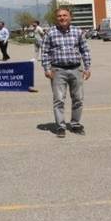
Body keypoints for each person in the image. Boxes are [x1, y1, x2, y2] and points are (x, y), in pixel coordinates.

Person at [40, 8, 91, 138]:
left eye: (65, 15)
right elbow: (45, 52)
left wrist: (87, 68)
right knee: (59, 100)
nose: (62, 18)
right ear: (56, 18)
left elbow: (85, 50)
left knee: (78, 99)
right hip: (58, 71)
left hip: (76, 69)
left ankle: (75, 124)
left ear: (70, 17)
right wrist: (47, 69)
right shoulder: (50, 33)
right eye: (59, 16)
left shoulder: (78, 32)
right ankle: (60, 126)